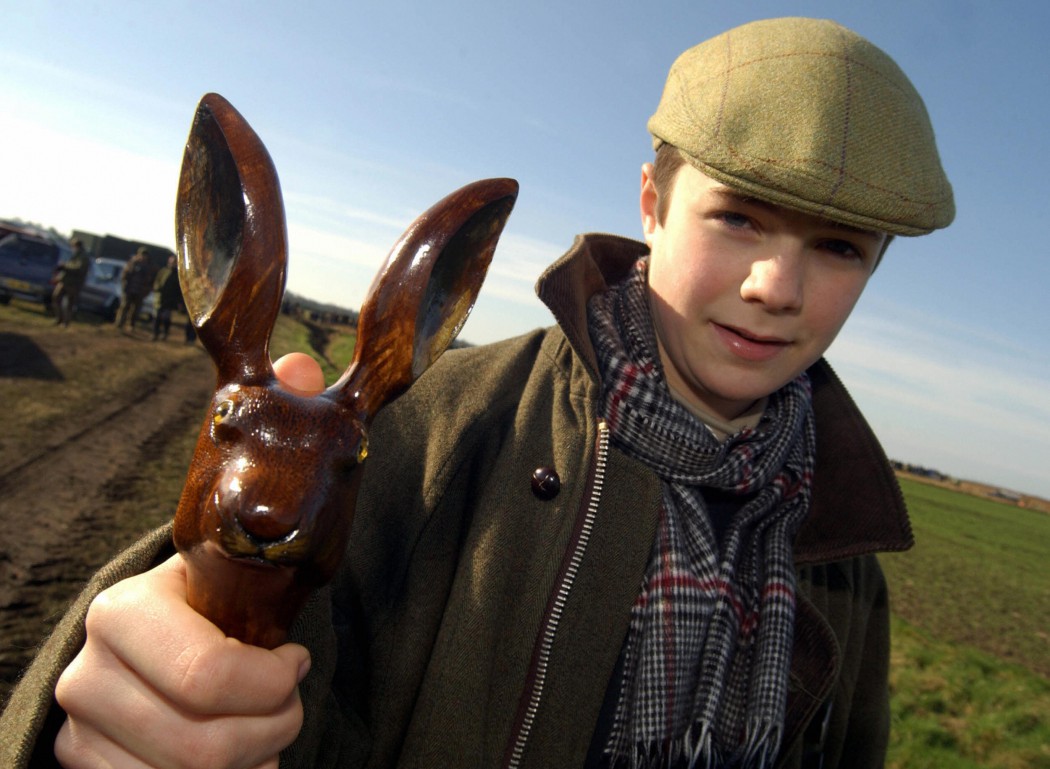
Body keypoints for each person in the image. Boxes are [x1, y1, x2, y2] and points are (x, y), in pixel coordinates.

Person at [0, 17, 954, 769]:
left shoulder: (843, 551)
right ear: (652, 207)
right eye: (738, 217)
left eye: (838, 248)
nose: (776, 289)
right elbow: (216, 661)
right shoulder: (423, 436)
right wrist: (138, 705)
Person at [51, 238, 89, 327]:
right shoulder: (75, 255)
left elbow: (79, 269)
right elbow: (69, 266)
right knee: (56, 298)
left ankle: (65, 322)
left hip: (74, 284)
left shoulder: (83, 257)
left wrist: (65, 267)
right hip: (65, 281)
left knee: (69, 304)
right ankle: (59, 319)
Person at [114, 246, 154, 331]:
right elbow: (125, 276)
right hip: (129, 290)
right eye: (142, 255)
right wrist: (125, 287)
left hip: (140, 292)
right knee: (124, 307)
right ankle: (119, 324)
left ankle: (131, 325)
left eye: (145, 255)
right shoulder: (132, 263)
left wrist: (145, 292)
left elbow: (150, 282)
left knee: (135, 310)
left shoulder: (149, 267)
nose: (143, 257)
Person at [151, 254, 182, 341]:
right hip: (159, 298)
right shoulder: (163, 271)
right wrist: (157, 288)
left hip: (170, 300)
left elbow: (179, 288)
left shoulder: (178, 275)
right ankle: (155, 334)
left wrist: (178, 300)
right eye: (172, 261)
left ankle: (165, 334)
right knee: (156, 317)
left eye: (175, 262)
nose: (173, 263)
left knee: (166, 318)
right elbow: (157, 281)